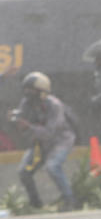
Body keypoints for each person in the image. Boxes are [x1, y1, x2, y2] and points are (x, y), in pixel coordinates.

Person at [11, 72, 77, 211]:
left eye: (31, 89)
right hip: (39, 143)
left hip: (60, 141)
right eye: (26, 89)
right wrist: (16, 120)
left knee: (52, 166)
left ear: (41, 91)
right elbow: (23, 123)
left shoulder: (54, 105)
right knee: (24, 171)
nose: (27, 93)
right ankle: (36, 203)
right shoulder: (26, 103)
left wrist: (29, 126)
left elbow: (50, 132)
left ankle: (70, 200)